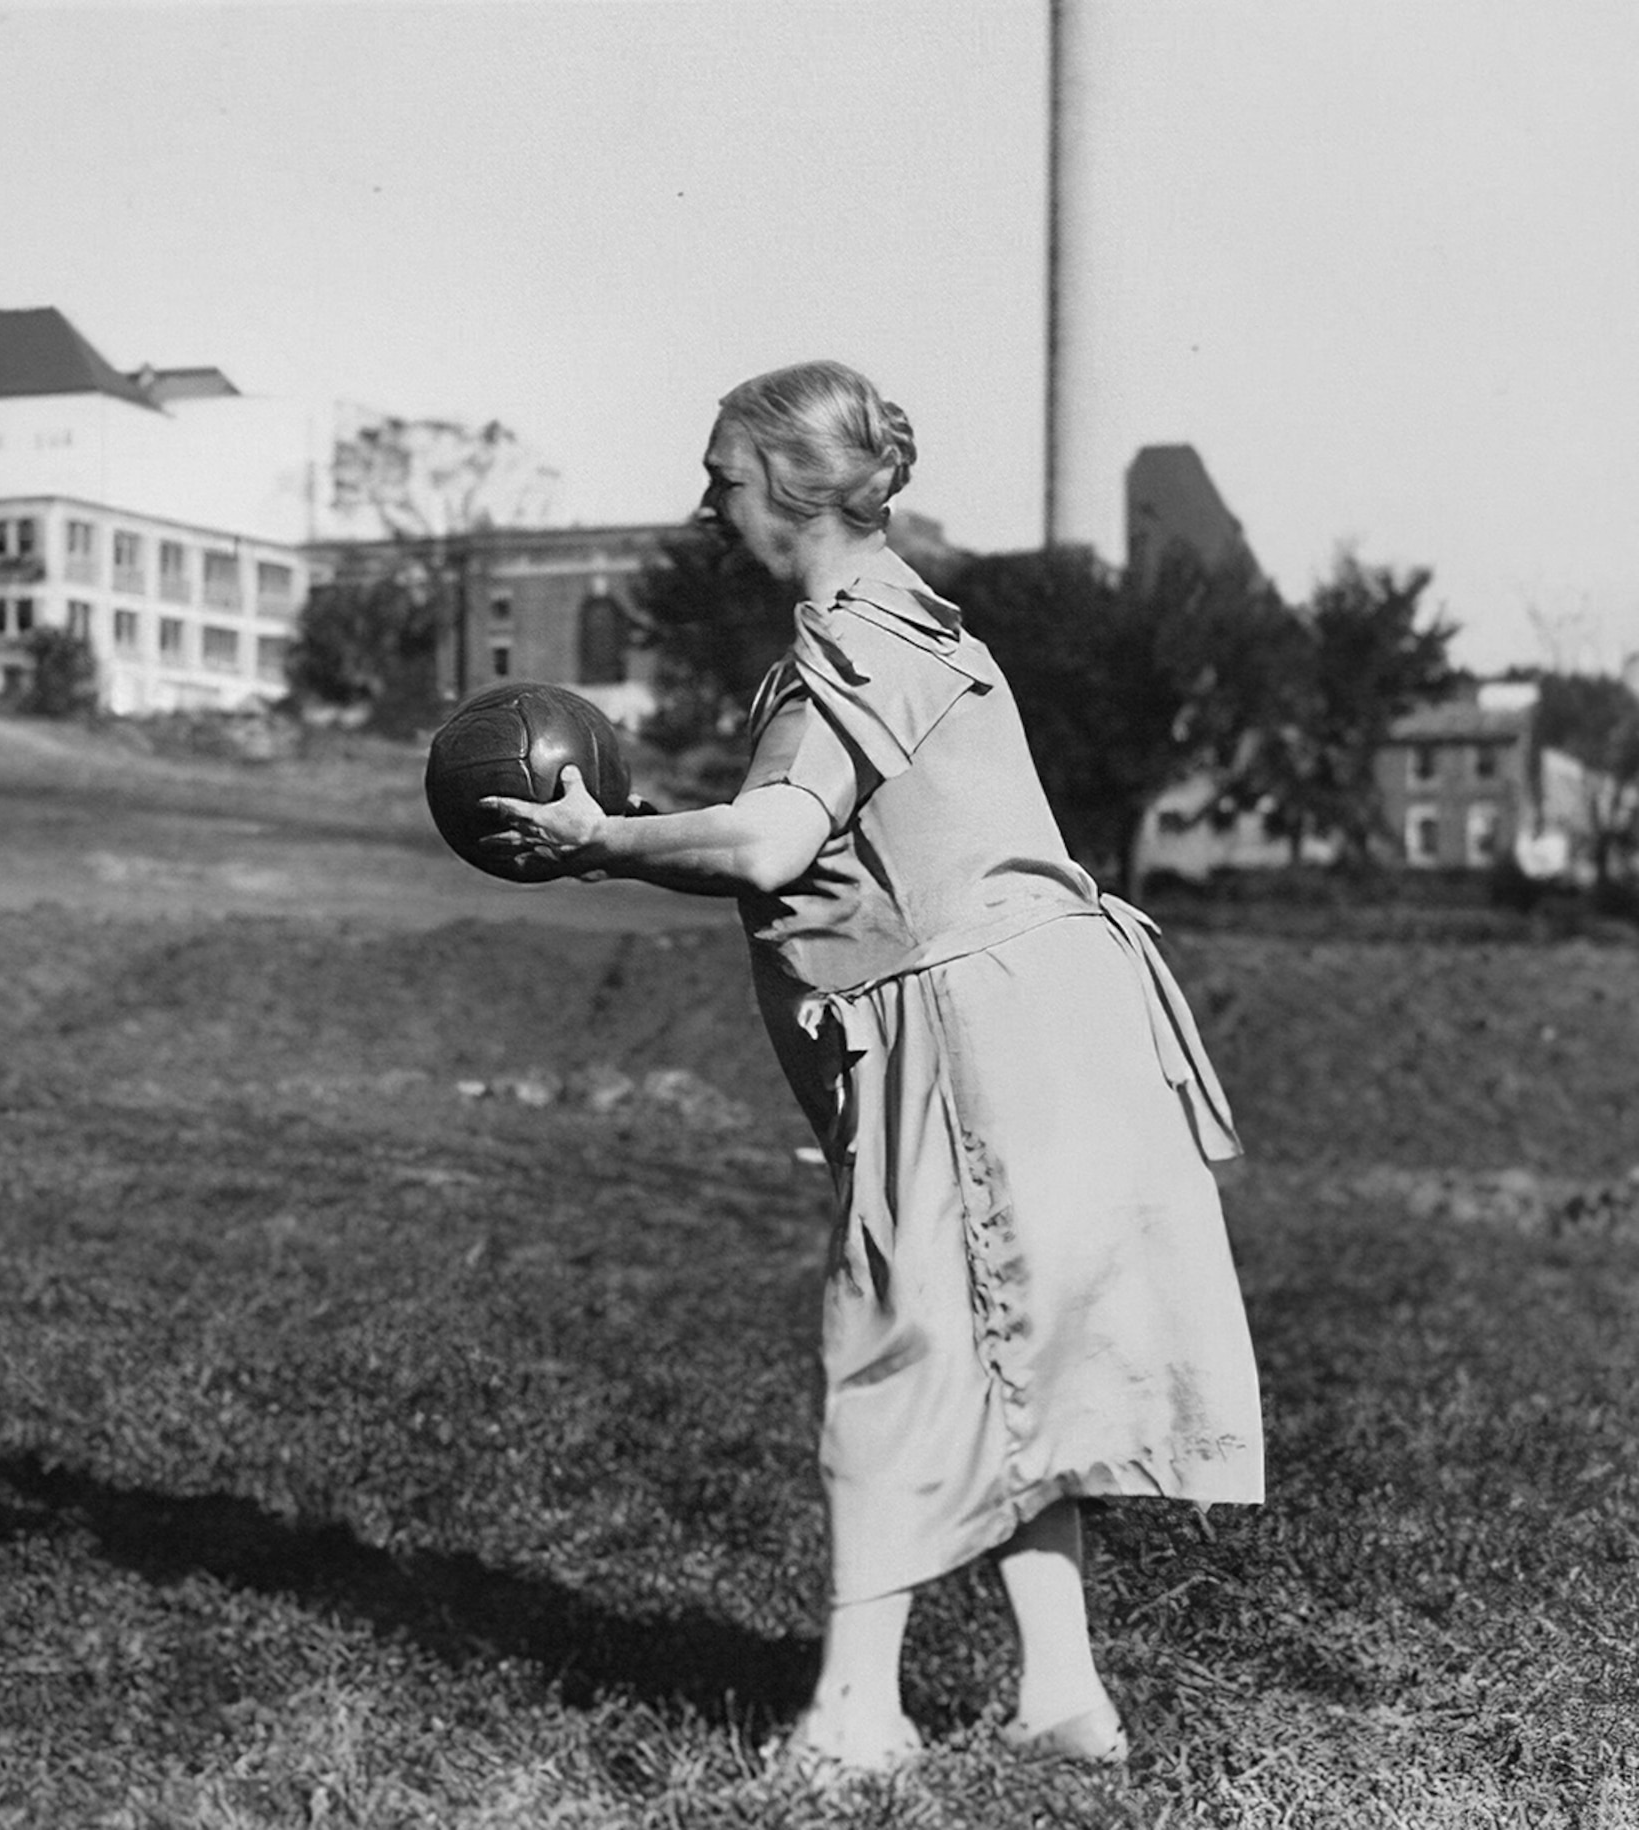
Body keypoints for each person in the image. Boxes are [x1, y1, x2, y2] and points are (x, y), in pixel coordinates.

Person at [483, 361, 1263, 1780]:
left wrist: (599, 839)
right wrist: (645, 834)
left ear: (791, 485)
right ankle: (1065, 1696)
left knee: (895, 1347)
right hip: (1035, 1019)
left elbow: (774, 844)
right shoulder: (906, 624)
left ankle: (857, 1716)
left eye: (721, 472)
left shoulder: (861, 634)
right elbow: (804, 860)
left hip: (976, 1034)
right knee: (1013, 1348)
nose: (705, 502)